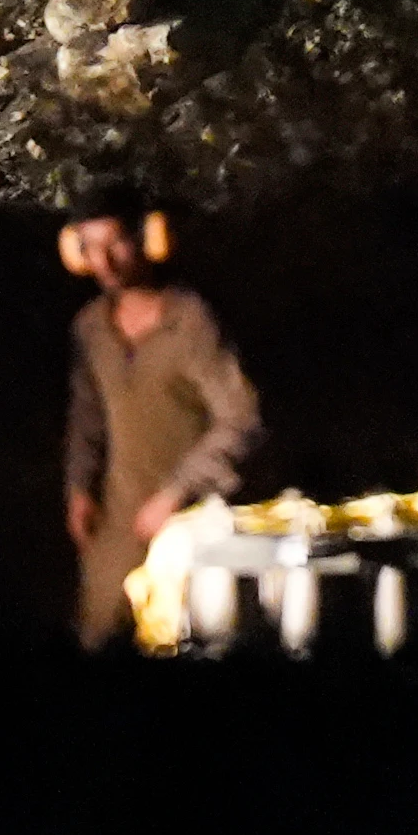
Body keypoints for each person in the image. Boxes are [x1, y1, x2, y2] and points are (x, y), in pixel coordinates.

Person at [58, 182, 260, 648]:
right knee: (98, 638)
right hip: (119, 521)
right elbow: (86, 418)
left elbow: (241, 418)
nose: (102, 262)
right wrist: (79, 488)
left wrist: (176, 493)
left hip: (196, 521)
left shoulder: (191, 322)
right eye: (89, 248)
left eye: (115, 244)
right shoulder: (90, 329)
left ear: (149, 240)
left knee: (187, 638)